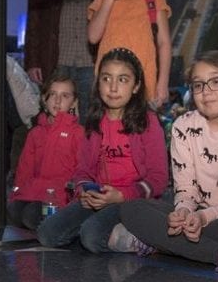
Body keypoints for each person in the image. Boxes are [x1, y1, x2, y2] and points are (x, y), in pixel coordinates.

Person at [110, 50, 218, 275]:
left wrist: (203, 218)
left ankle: (158, 242)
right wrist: (183, 213)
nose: (206, 91)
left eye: (216, 81)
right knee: (131, 209)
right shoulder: (183, 126)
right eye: (198, 85)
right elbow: (186, 189)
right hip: (196, 216)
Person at [36, 47, 168, 253]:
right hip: (100, 198)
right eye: (106, 79)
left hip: (133, 201)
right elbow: (83, 170)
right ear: (98, 84)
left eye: (123, 80)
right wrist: (84, 191)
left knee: (92, 236)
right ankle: (111, 233)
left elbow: (159, 179)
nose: (113, 88)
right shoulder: (95, 121)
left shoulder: (147, 122)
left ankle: (141, 238)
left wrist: (122, 195)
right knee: (47, 233)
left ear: (136, 86)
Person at [87, 0, 172, 108]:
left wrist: (162, 82)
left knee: (140, 124)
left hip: (143, 84)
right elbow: (93, 36)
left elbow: (164, 42)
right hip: (109, 87)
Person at [7, 70, 83, 230]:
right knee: (13, 211)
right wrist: (17, 192)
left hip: (59, 197)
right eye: (53, 94)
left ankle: (62, 226)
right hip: (34, 192)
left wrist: (73, 198)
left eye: (65, 96)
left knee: (31, 217)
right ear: (44, 99)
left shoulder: (78, 133)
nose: (57, 100)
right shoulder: (36, 133)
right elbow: (24, 169)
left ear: (74, 102)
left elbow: (82, 171)